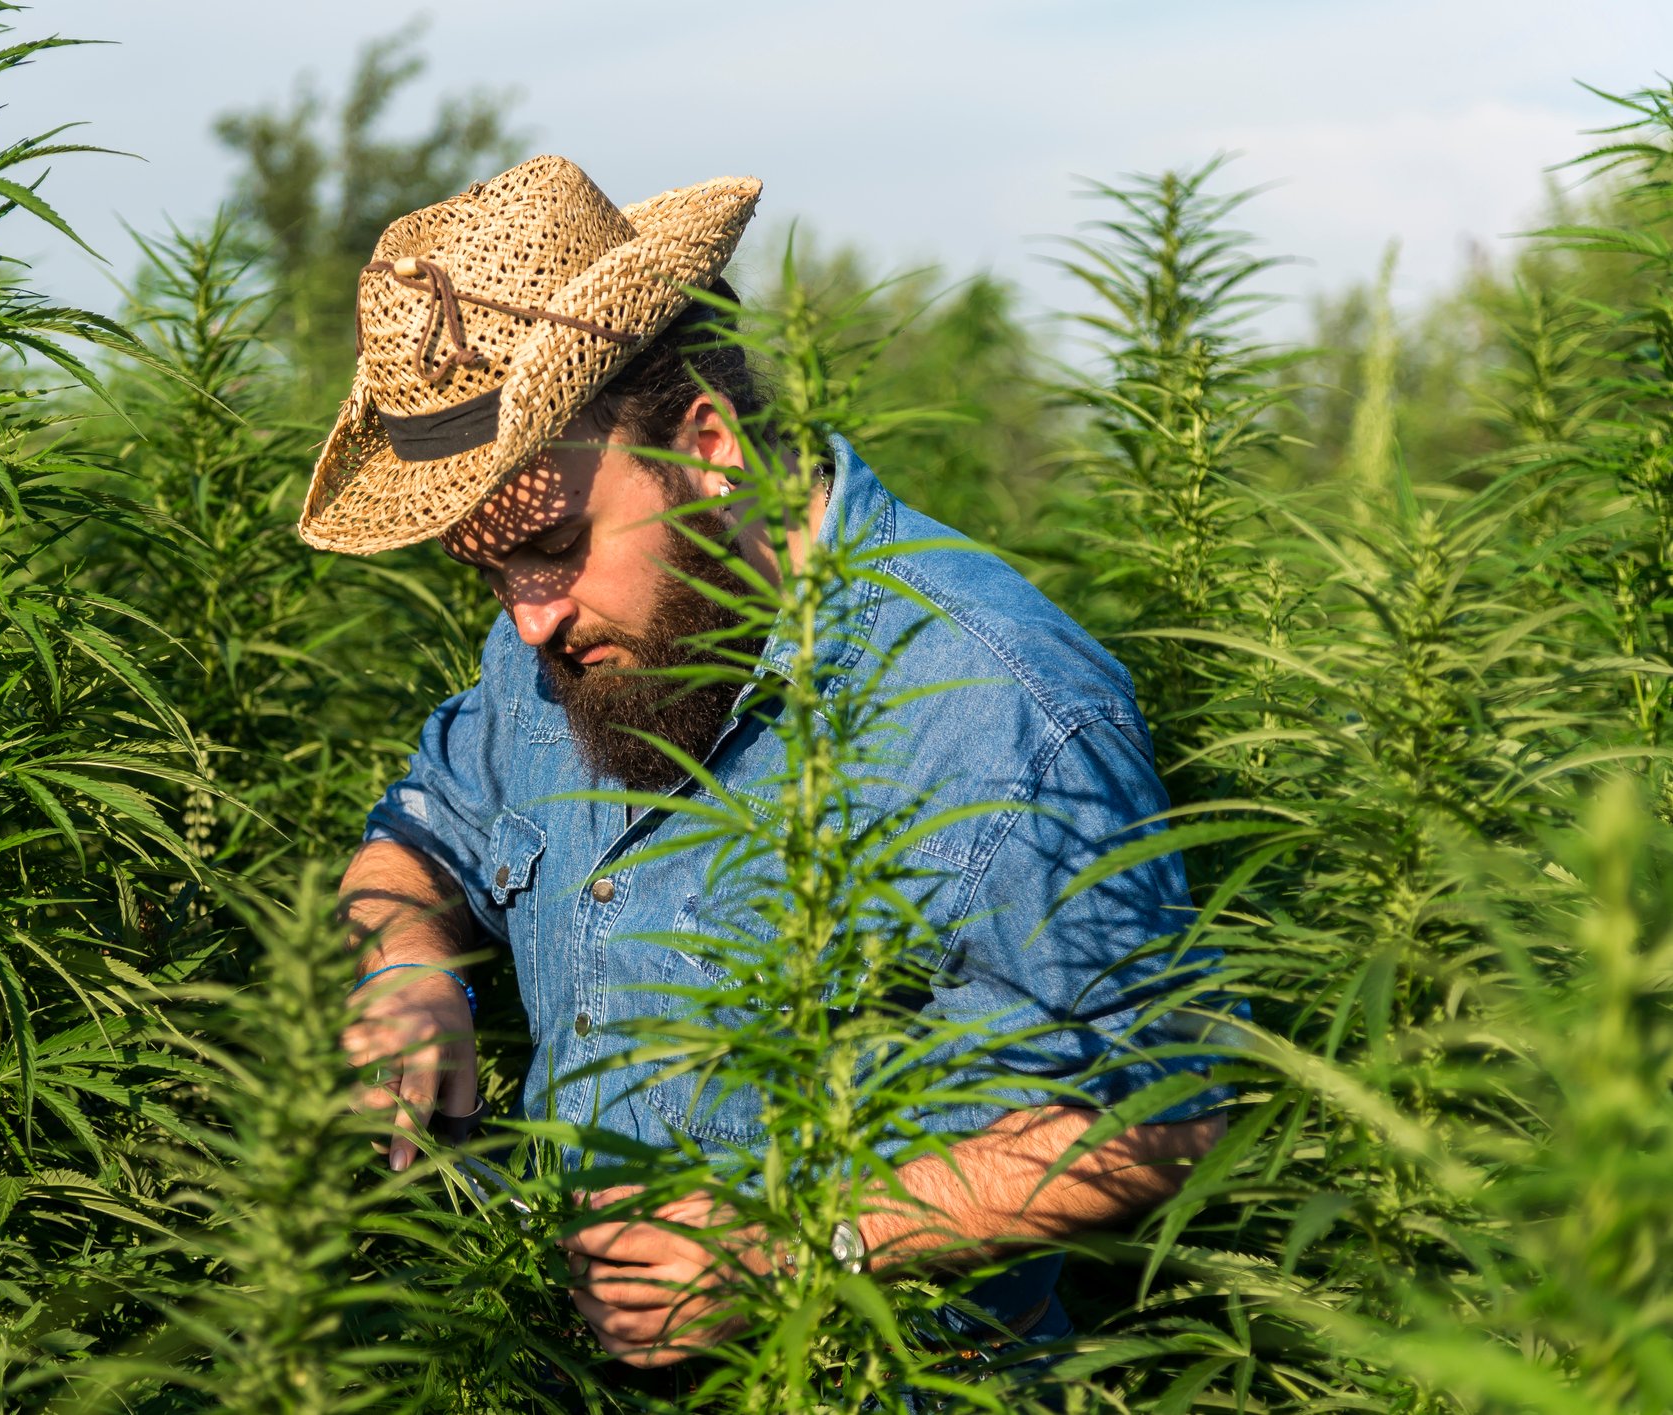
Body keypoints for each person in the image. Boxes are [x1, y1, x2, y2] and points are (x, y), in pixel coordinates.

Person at [302, 154, 1226, 1370]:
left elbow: (1167, 1111)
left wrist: (794, 1245)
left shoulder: (997, 702)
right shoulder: (556, 643)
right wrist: (411, 971)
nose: (527, 618)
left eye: (554, 546)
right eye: (491, 572)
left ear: (706, 446)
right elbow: (420, 833)